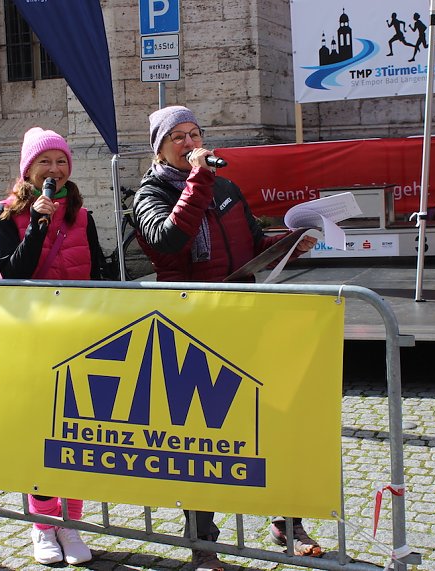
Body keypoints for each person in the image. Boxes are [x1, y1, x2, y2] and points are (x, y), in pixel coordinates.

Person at [132, 106, 320, 570]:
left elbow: (252, 245)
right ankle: (204, 543)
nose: (189, 140)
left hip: (245, 317)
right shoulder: (149, 193)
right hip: (193, 325)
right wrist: (197, 181)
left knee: (272, 422)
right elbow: (170, 240)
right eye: (176, 135)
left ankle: (286, 521)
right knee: (203, 438)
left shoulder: (229, 189)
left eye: (194, 132)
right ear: (159, 147)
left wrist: (292, 240)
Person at [0, 127, 97, 565]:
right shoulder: (3, 215)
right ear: (28, 170)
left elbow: (98, 270)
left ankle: (72, 524)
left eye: (61, 161)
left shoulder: (82, 215)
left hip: (77, 334)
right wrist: (36, 224)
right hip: (31, 337)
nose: (54, 170)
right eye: (45, 163)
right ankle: (42, 527)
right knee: (41, 435)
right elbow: (13, 272)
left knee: (77, 432)